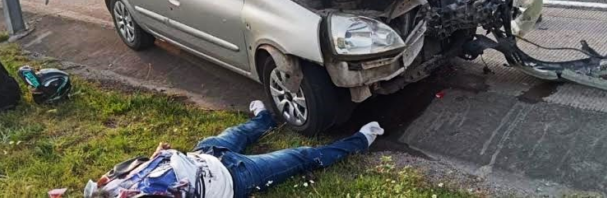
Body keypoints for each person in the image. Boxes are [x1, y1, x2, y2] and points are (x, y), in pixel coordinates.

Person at [83, 100, 385, 198]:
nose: (104, 181)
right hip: (233, 176)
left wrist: (157, 155)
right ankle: (359, 141)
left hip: (205, 152)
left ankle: (264, 118)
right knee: (301, 157)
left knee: (245, 130)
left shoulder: (111, 186)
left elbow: (148, 171)